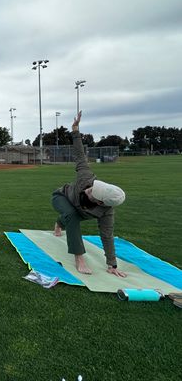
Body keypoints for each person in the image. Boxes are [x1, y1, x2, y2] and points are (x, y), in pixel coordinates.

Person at [52, 111, 126, 277]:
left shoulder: (106, 212)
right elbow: (79, 154)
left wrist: (112, 264)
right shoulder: (87, 176)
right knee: (70, 213)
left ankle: (59, 224)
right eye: (93, 187)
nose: (89, 189)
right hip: (61, 197)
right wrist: (75, 130)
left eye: (93, 192)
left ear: (101, 203)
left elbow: (107, 236)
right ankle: (79, 258)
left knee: (72, 216)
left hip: (78, 212)